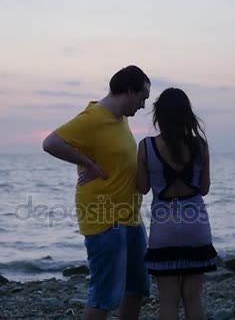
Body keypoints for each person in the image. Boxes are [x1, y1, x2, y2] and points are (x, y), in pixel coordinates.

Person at [42, 65, 151, 320]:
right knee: (104, 295)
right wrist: (89, 164)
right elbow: (51, 143)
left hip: (131, 217)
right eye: (142, 97)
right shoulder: (93, 118)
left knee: (137, 288)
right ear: (127, 91)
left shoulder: (120, 119)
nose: (143, 106)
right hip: (105, 219)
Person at [136, 87, 217, 320]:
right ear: (187, 115)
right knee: (193, 298)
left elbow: (142, 188)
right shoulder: (200, 146)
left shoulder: (147, 146)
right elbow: (204, 188)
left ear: (159, 116)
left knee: (168, 300)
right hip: (196, 226)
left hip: (164, 229)